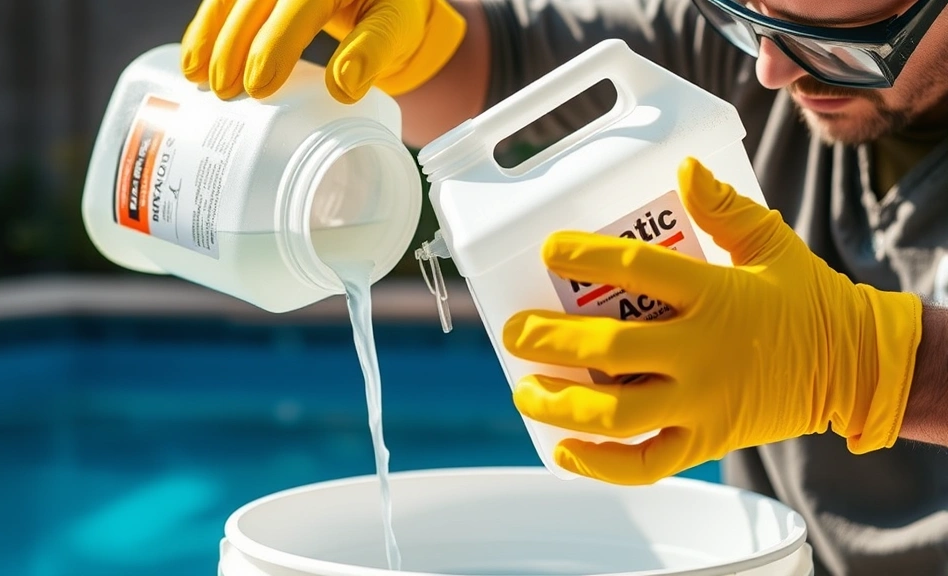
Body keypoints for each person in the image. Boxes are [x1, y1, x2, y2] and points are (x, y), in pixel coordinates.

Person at [177, 0, 948, 573]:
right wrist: (412, 44)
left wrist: (873, 367)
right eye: (746, 17)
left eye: (839, 46)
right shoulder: (740, 51)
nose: (770, 71)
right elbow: (497, 69)